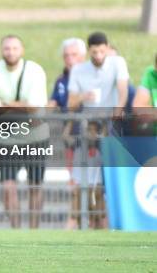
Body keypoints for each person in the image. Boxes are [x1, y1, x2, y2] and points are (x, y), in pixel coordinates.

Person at [0, 34, 48, 228]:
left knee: (35, 185)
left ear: (22, 50)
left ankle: (34, 230)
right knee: (8, 186)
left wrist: (7, 105)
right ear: (2, 50)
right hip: (7, 139)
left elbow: (35, 108)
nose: (10, 52)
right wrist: (22, 106)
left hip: (36, 137)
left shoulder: (35, 71)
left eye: (14, 48)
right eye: (7, 48)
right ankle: (16, 230)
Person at [67, 32, 130, 229]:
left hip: (110, 131)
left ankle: (104, 226)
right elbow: (71, 103)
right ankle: (79, 225)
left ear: (107, 48)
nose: (99, 56)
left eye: (102, 51)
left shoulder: (117, 63)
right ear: (89, 51)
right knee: (83, 182)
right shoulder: (78, 70)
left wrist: (116, 116)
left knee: (105, 184)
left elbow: (122, 91)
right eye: (94, 52)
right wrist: (84, 96)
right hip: (88, 131)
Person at [47, 38, 87, 229]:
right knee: (74, 182)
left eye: (74, 55)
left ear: (83, 56)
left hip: (91, 137)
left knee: (96, 184)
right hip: (71, 140)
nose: (70, 59)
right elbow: (53, 103)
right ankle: (75, 219)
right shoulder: (61, 81)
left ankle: (92, 221)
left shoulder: (91, 77)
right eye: (66, 56)